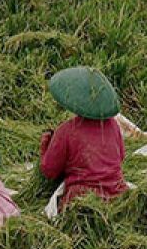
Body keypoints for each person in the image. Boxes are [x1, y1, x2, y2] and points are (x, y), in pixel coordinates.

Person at [39, 66, 129, 208]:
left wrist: (45, 144)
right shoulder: (113, 125)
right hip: (117, 195)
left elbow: (49, 170)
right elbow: (121, 156)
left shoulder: (66, 130)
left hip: (82, 200)